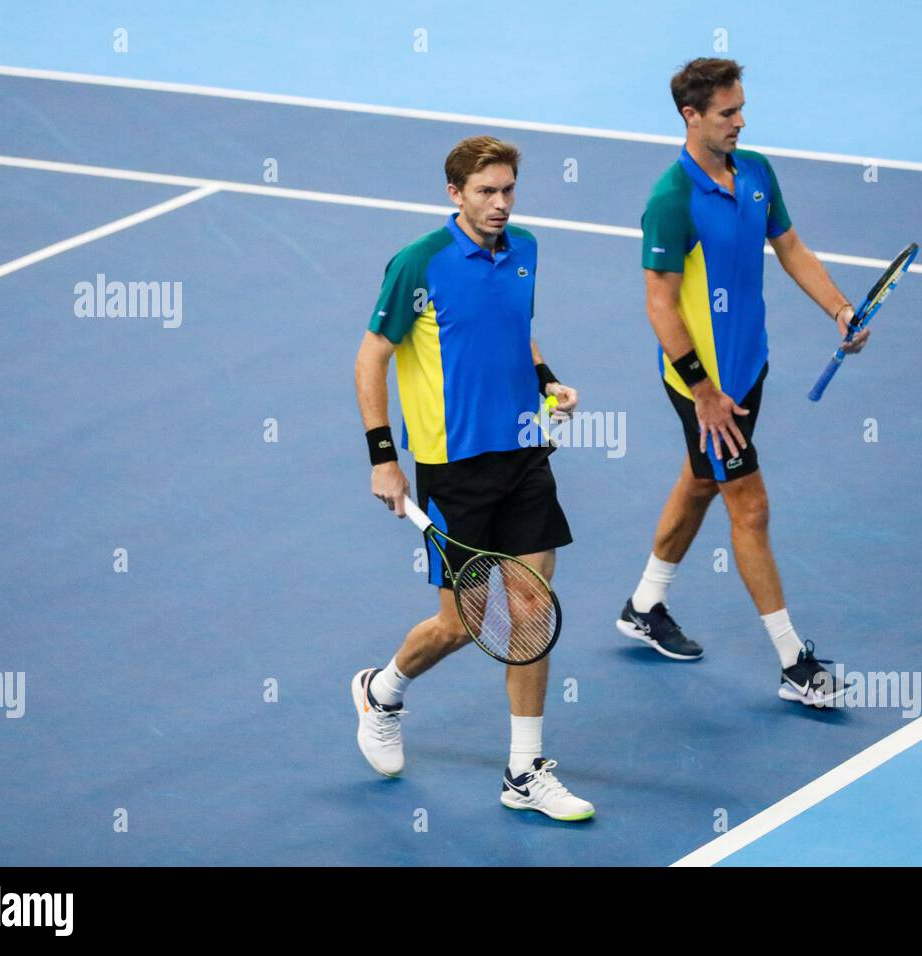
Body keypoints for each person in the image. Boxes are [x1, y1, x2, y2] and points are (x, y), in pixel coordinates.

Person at [353, 136, 594, 820]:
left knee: (529, 612)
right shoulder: (418, 264)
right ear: (454, 193)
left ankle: (523, 772)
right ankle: (382, 691)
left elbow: (516, 330)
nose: (500, 204)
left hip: (523, 453)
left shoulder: (526, 251)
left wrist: (548, 383)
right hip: (453, 472)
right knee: (458, 626)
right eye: (486, 191)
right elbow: (371, 358)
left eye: (509, 189)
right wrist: (382, 456)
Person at [619, 59, 867, 706]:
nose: (741, 121)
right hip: (705, 388)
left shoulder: (755, 170)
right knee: (749, 507)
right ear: (690, 116)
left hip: (748, 368)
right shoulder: (670, 201)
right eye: (728, 113)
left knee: (702, 479)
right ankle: (794, 663)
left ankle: (645, 604)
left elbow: (790, 248)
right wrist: (703, 391)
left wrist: (839, 309)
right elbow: (659, 306)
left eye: (741, 108)